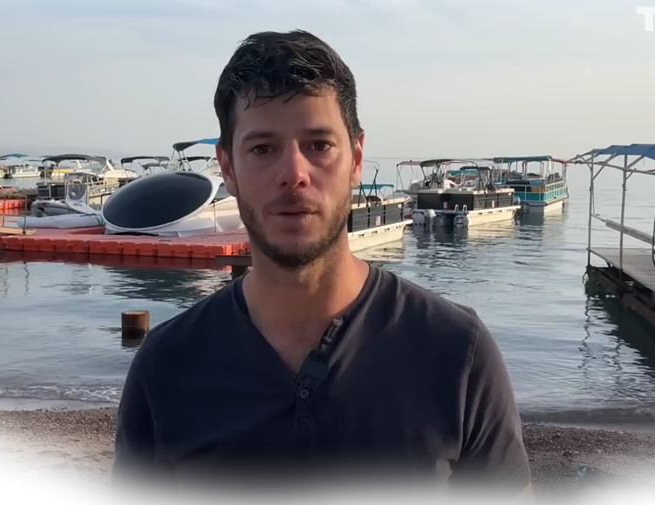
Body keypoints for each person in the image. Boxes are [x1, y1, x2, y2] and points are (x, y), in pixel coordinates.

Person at [110, 29, 534, 505]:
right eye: (263, 148)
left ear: (355, 159)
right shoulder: (165, 367)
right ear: (227, 168)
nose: (294, 174)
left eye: (318, 145)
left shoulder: (456, 353)